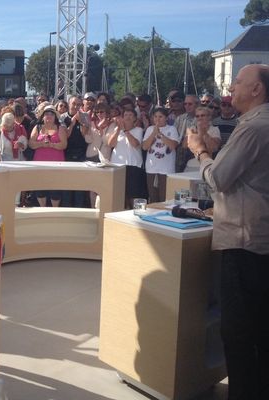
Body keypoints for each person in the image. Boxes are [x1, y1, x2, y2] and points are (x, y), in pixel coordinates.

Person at [187, 63, 269, 400]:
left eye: (238, 81)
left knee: (239, 332)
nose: (231, 87)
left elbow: (219, 177)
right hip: (256, 237)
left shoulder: (254, 127)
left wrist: (200, 150)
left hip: (243, 241)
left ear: (257, 90)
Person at [28, 105, 67, 207]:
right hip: (39, 165)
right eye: (46, 114)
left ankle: (55, 211)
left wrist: (51, 145)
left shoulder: (60, 128)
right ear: (42, 117)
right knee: (40, 189)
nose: (49, 116)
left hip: (57, 165)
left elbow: (64, 145)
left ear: (55, 117)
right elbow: (31, 143)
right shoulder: (37, 127)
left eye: (51, 114)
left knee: (55, 190)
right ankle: (43, 209)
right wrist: (41, 144)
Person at [108, 108, 147, 208]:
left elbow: (135, 144)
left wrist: (125, 130)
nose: (128, 117)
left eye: (130, 115)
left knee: (133, 194)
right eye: (126, 115)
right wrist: (118, 130)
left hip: (133, 165)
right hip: (117, 165)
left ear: (135, 118)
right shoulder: (117, 130)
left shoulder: (138, 130)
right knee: (121, 193)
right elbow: (111, 144)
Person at [142, 107, 179, 203]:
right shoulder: (150, 129)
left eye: (160, 117)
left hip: (166, 169)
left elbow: (173, 145)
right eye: (155, 117)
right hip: (151, 168)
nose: (157, 119)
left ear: (166, 118)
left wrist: (161, 135)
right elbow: (145, 147)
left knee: (164, 197)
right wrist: (154, 133)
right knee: (153, 196)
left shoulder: (172, 129)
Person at [183, 106, 221, 171]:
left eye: (202, 115)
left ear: (209, 117)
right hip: (191, 165)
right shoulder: (192, 129)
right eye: (197, 116)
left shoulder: (214, 130)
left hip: (207, 165)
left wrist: (204, 133)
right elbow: (184, 146)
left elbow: (214, 148)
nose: (200, 118)